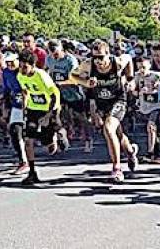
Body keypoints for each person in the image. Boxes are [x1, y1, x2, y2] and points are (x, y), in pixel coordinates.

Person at [71, 41, 139, 183]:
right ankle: (131, 152)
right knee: (117, 134)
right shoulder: (88, 64)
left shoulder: (117, 62)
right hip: (102, 103)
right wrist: (85, 83)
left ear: (108, 54)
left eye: (101, 57)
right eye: (95, 57)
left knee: (108, 128)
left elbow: (129, 59)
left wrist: (130, 79)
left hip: (118, 100)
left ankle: (117, 168)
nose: (98, 61)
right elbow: (73, 75)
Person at [17, 51, 62, 185]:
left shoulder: (41, 76)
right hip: (33, 110)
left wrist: (50, 115)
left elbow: (55, 95)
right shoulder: (20, 76)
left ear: (32, 66)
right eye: (20, 66)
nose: (22, 69)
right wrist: (24, 108)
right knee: (28, 141)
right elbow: (25, 91)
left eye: (25, 67)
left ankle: (56, 136)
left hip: (47, 109)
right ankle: (32, 172)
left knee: (49, 146)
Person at [131, 56, 160, 161]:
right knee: (152, 129)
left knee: (151, 126)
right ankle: (156, 148)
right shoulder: (137, 77)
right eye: (139, 68)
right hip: (144, 106)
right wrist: (139, 91)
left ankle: (150, 152)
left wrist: (158, 87)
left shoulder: (157, 76)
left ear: (149, 66)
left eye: (143, 67)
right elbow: (133, 91)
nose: (142, 70)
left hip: (156, 106)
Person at [45, 40, 75, 151]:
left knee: (77, 117)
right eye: (51, 52)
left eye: (56, 52)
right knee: (55, 114)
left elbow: (75, 78)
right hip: (56, 92)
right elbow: (46, 71)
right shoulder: (48, 59)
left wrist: (61, 83)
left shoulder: (70, 60)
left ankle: (87, 138)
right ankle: (61, 136)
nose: (54, 55)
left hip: (72, 92)